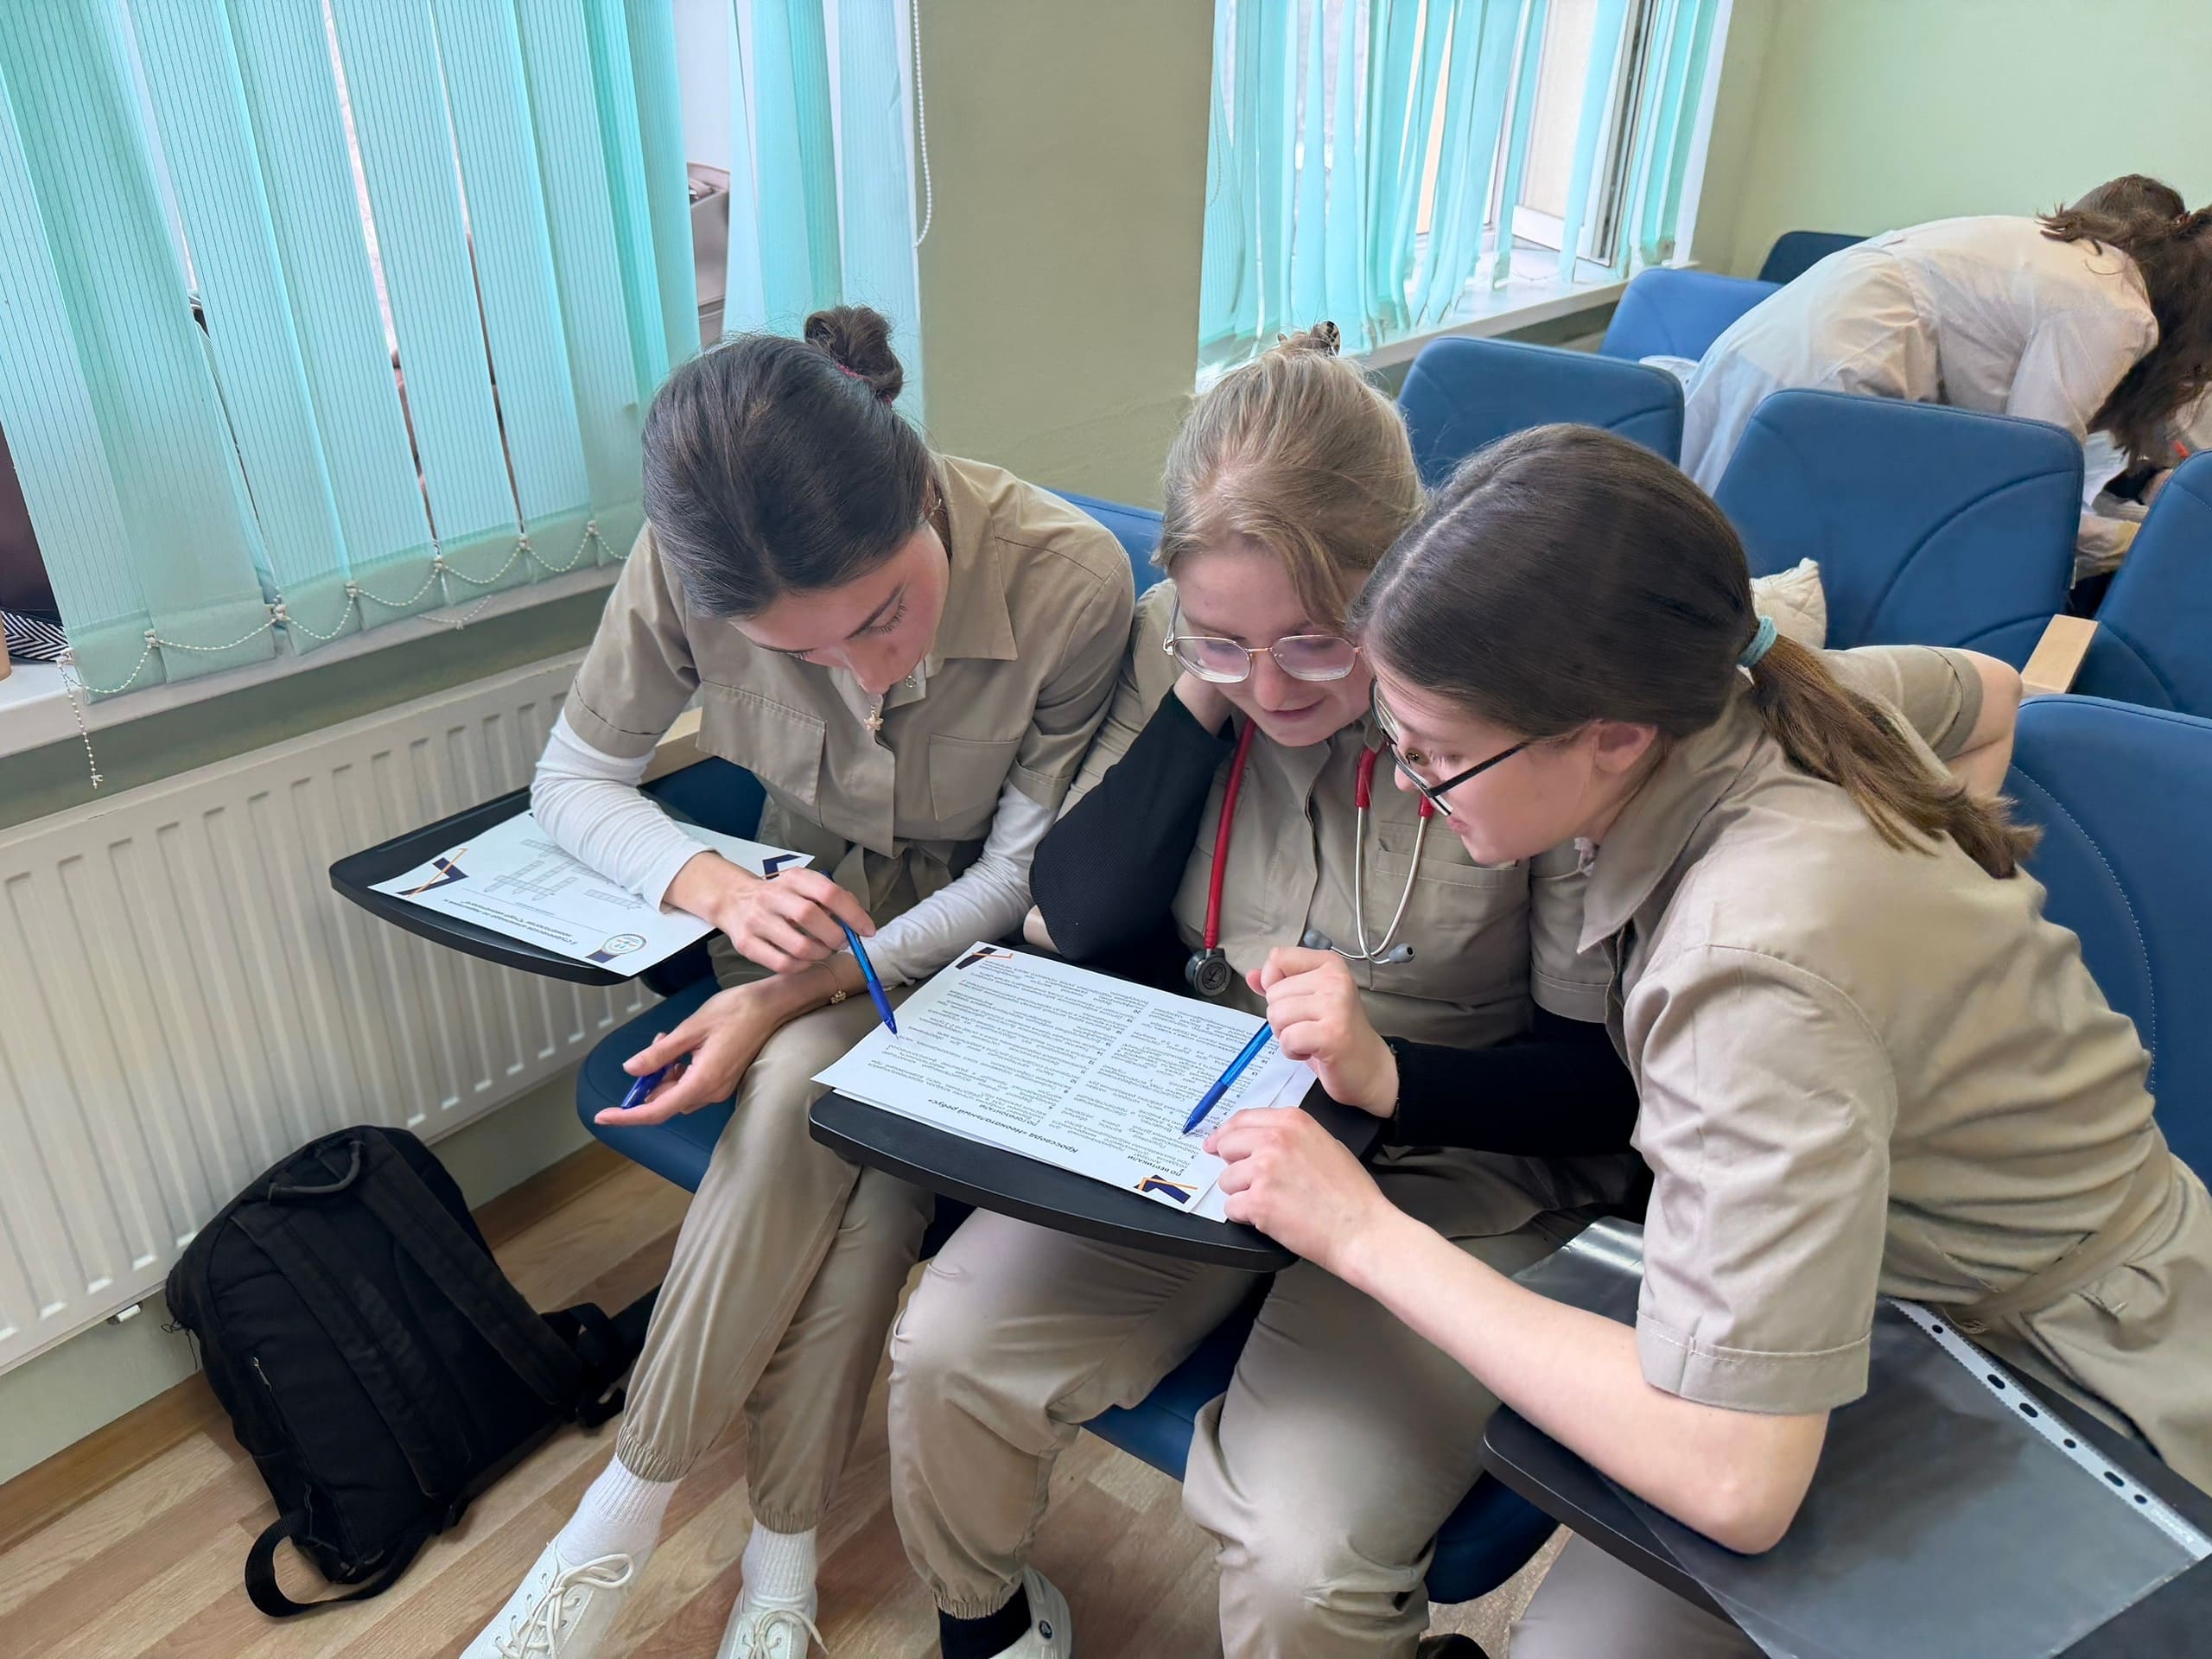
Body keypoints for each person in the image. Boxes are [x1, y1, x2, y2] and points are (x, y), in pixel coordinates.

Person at [886, 331, 2022, 1659]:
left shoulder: (1526, 719)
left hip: (1465, 1158)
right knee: (946, 1352)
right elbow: (1079, 911)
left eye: (1316, 644)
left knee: (1302, 1550)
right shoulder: (1195, 654)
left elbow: (1602, 1088)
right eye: (1226, 640)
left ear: (1408, 583)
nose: (1273, 687)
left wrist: (1389, 1077)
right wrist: (1211, 681)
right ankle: (990, 1626)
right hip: (1218, 1118)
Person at [1207, 423, 2212, 1659]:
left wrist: (1362, 1232)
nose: (1412, 782)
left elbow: (1735, 1477)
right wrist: (1925, 989)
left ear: (1611, 734)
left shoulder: (1747, 958)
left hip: (2078, 1378)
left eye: (1443, 756)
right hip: (1893, 1292)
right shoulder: (1770, 689)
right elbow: (1990, 696)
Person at [466, 308, 1135, 1659]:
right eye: (803, 655)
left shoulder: (1071, 578)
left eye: (884, 616)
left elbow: (1017, 878)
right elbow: (573, 779)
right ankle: (777, 1565)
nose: (863, 670)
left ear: (922, 489)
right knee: (865, 1177)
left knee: (794, 1096)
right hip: (796, 914)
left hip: (976, 954)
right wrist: (718, 891)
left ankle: (613, 1528)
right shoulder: (687, 561)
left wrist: (786, 994)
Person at [1679, 175, 2212, 579]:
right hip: (1839, 370)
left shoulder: (2074, 259)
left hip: (1774, 342)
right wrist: (2138, 544)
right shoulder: (2113, 310)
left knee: (1704, 550)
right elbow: (2030, 482)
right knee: (1757, 578)